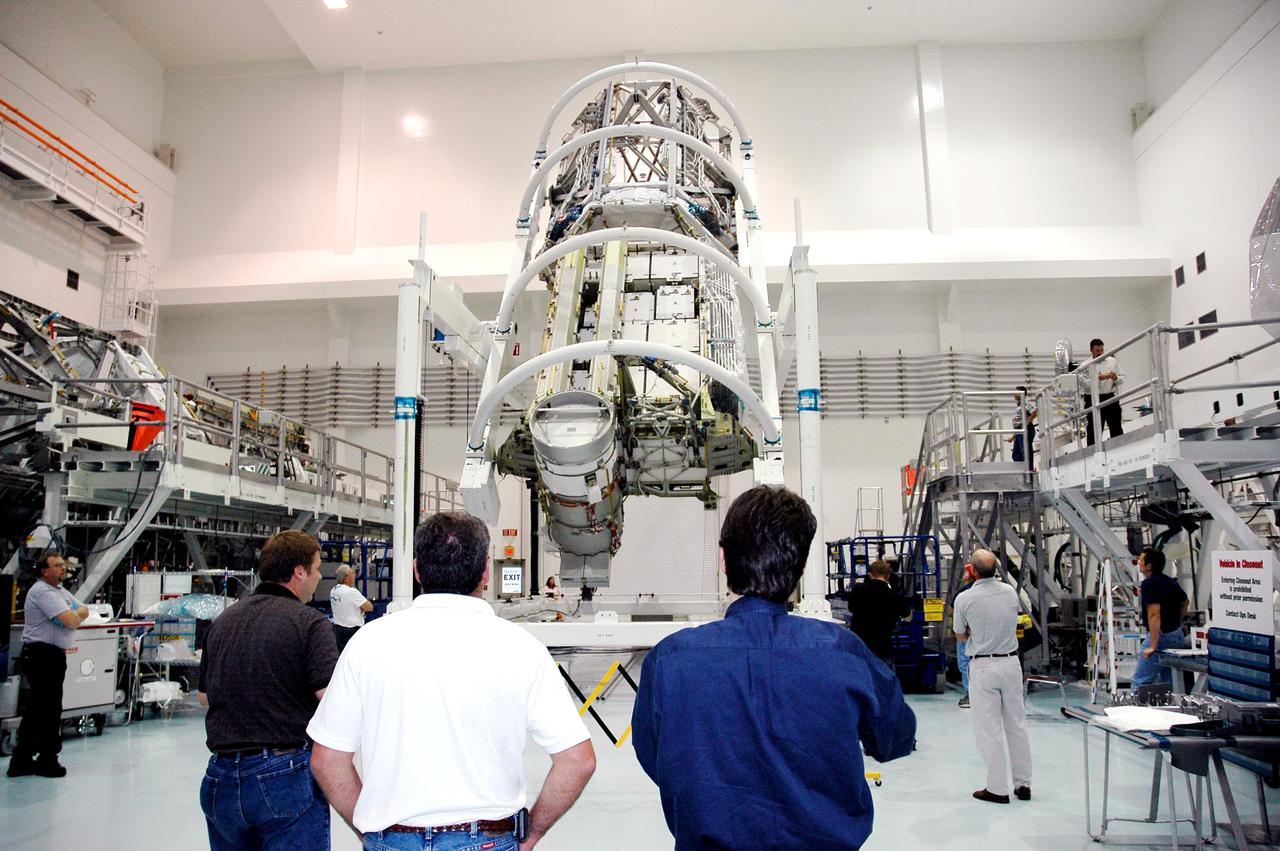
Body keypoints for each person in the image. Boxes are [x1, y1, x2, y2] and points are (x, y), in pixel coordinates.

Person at [631, 485, 917, 848]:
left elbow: (655, 756)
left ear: (723, 560)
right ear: (801, 566)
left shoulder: (671, 660)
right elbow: (895, 738)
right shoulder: (845, 654)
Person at [309, 511, 596, 850]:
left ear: (416, 570)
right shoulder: (522, 648)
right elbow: (578, 761)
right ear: (485, 572)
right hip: (488, 840)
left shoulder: (366, 644)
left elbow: (326, 760)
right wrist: (532, 833)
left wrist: (371, 830)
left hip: (391, 839)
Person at [197, 530, 338, 850]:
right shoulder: (309, 623)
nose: (318, 577)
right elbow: (328, 696)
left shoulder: (224, 621)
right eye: (316, 570)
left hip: (220, 777)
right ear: (299, 572)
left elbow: (204, 696)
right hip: (282, 773)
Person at [953, 549, 1032, 804]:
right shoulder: (1009, 592)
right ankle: (1023, 783)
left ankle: (997, 788)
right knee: (1017, 725)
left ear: (972, 571)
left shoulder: (964, 599)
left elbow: (960, 635)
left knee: (989, 730)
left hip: (983, 666)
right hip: (1010, 663)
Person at [7, 553, 88, 778]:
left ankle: (22, 759)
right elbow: (72, 620)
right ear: (44, 571)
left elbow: (84, 610)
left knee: (40, 708)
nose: (63, 568)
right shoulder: (42, 592)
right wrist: (74, 616)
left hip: (52, 655)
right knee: (47, 708)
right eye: (58, 565)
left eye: (63, 564)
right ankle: (47, 759)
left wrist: (74, 615)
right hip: (41, 655)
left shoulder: (60, 592)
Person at [1131, 547, 1189, 687]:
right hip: (1176, 635)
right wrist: (1176, 622)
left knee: (1141, 681)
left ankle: (1136, 701)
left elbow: (1154, 615)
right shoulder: (1170, 581)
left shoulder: (1149, 584)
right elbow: (1185, 602)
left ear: (1149, 566)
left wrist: (1153, 645)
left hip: (1160, 637)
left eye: (1141, 560)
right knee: (1170, 682)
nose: (1138, 562)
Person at [847, 558, 914, 664]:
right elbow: (908, 618)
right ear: (888, 576)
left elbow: (851, 609)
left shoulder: (858, 589)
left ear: (870, 574)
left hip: (859, 647)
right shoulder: (894, 596)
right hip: (882, 648)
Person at [1082, 338, 1125, 445]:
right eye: (1097, 351)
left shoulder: (1112, 361)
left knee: (1116, 427)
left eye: (1102, 350)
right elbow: (1084, 384)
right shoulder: (1085, 366)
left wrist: (1115, 378)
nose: (1100, 353)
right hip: (1093, 399)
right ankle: (1092, 452)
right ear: (1091, 350)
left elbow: (1122, 378)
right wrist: (1097, 378)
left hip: (1110, 397)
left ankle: (1119, 448)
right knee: (1094, 431)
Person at [329, 565, 372, 652]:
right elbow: (369, 607)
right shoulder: (351, 592)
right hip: (351, 632)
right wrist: (361, 608)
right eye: (352, 573)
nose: (354, 576)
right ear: (345, 578)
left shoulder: (333, 591)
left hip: (337, 630)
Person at [954, 562, 978, 709]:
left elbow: (951, 611)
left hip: (966, 635)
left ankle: (970, 695)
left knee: (965, 665)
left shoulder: (963, 593)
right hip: (983, 636)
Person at [1010, 385, 1038, 467]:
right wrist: (1013, 436)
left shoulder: (1026, 402)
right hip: (1019, 431)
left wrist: (1029, 420)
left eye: (1016, 392)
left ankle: (1028, 469)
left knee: (1025, 452)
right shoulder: (1019, 404)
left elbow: (1036, 410)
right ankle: (1022, 469)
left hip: (1026, 430)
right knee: (1016, 454)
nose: (1014, 394)